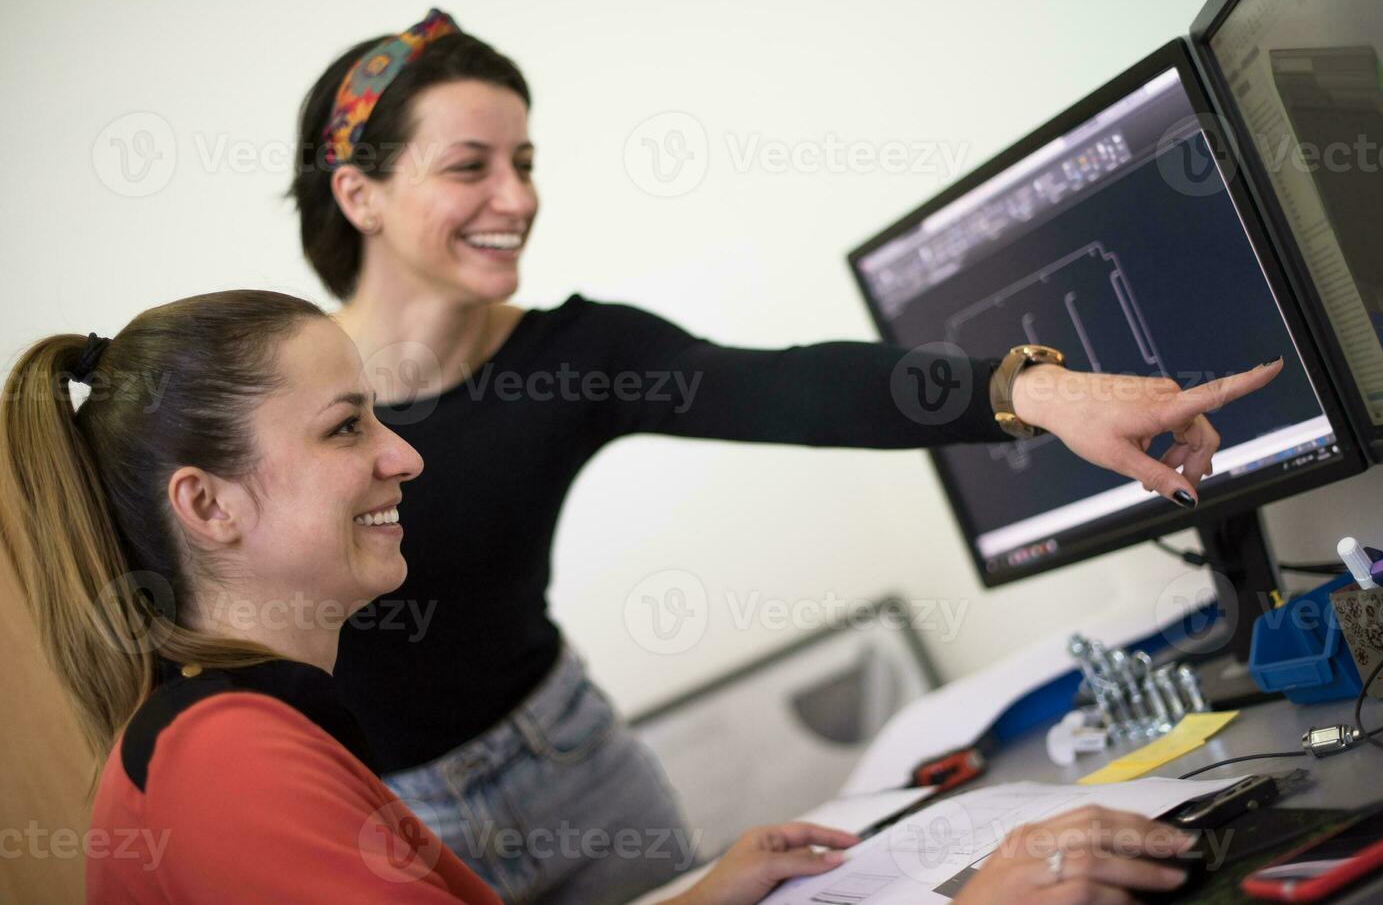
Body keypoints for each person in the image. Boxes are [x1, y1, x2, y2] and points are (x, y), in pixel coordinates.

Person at [288, 8, 1284, 904]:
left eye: (526, 160)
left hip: (578, 764)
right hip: (398, 818)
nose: (516, 196)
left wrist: (1032, 389)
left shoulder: (576, 353)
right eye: (470, 166)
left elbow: (793, 386)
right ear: (360, 194)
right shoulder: (274, 396)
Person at [0, 290, 1198, 904]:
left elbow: (778, 385)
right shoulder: (233, 765)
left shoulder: (235, 729)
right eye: (345, 427)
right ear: (209, 508)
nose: (404, 455)